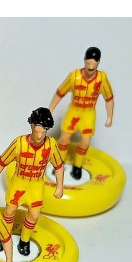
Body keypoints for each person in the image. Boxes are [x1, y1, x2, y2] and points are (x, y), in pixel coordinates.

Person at [0, 107, 64, 257]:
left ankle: (24, 241)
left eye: (43, 132)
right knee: (9, 211)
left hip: (36, 185)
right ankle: (4, 237)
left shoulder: (50, 145)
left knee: (34, 215)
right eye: (37, 131)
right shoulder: (19, 143)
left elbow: (59, 165)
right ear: (31, 127)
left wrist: (60, 186)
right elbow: (2, 161)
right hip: (18, 183)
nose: (39, 136)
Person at [48, 46, 115, 180]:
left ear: (98, 63)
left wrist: (109, 117)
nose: (90, 68)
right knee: (64, 138)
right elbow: (60, 93)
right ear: (84, 60)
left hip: (88, 114)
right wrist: (50, 109)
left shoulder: (101, 78)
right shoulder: (74, 76)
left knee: (85, 141)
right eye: (88, 64)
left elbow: (109, 98)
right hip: (74, 111)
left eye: (93, 66)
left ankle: (77, 166)